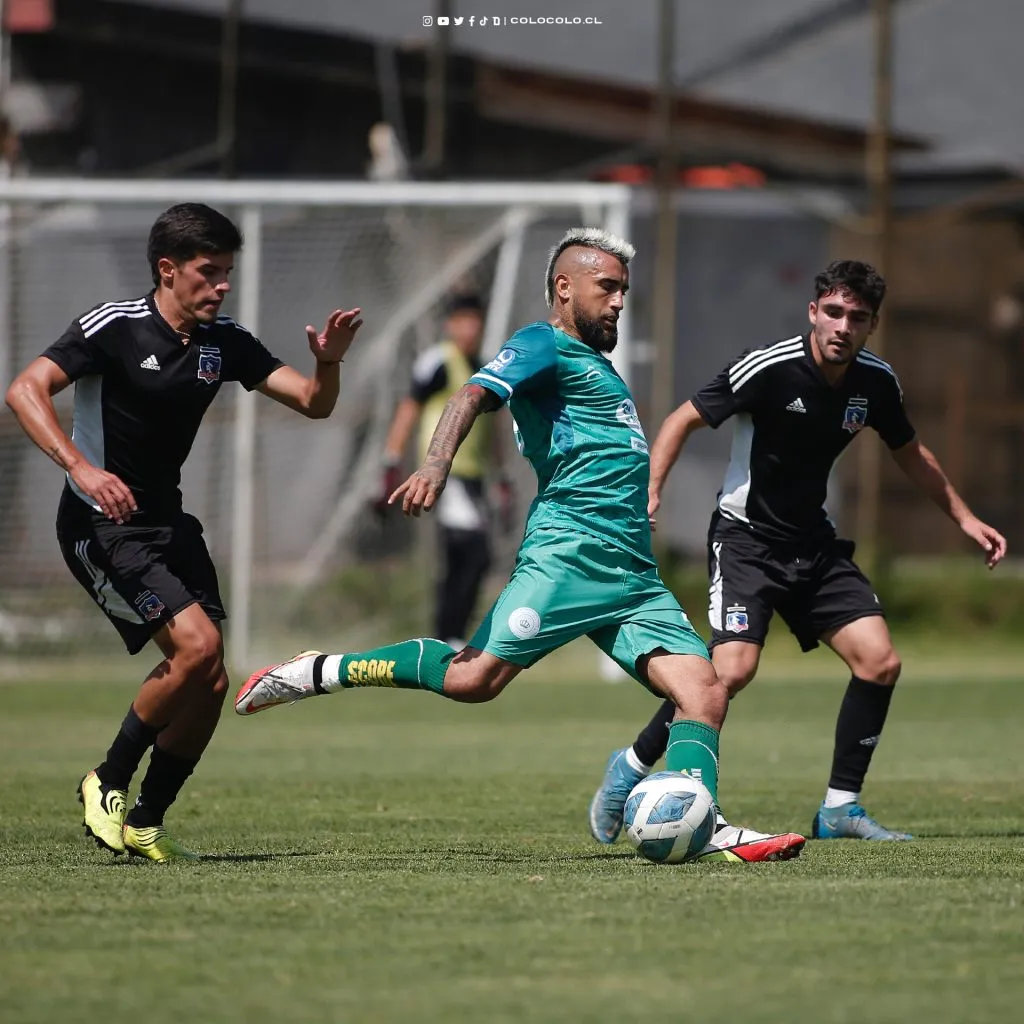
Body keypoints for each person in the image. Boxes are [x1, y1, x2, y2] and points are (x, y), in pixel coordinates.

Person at [235, 227, 805, 864]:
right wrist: (432, 465)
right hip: (567, 555)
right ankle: (319, 669)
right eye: (607, 288)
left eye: (624, 290)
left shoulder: (600, 370)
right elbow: (472, 394)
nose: (620, 302)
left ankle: (708, 824)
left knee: (704, 690)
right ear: (565, 289)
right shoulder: (543, 344)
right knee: (473, 680)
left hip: (631, 573)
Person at [588, 259, 1007, 846]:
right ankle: (630, 767)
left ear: (871, 325)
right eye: (833, 312)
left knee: (879, 661)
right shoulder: (770, 368)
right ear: (814, 312)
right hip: (746, 542)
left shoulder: (876, 382)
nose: (842, 326)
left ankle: (840, 809)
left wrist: (963, 518)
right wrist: (651, 487)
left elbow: (909, 450)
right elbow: (683, 419)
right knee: (730, 671)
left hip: (814, 545)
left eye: (856, 318)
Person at [5, 203, 363, 862]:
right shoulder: (112, 327)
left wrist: (330, 363)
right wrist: (82, 469)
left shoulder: (222, 342)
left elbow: (314, 404)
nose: (221, 285)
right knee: (197, 650)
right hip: (101, 524)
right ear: (167, 270)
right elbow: (25, 389)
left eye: (227, 272)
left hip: (168, 523)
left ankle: (145, 820)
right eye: (208, 272)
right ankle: (106, 780)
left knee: (212, 681)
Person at [376, 294, 509, 648]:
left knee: (465, 555)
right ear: (450, 325)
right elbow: (408, 409)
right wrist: (392, 461)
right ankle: (449, 634)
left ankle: (447, 635)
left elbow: (492, 428)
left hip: (475, 477)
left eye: (476, 320)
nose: (471, 328)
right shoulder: (436, 362)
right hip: (445, 477)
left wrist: (502, 476)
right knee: (474, 551)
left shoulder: (483, 367)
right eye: (463, 320)